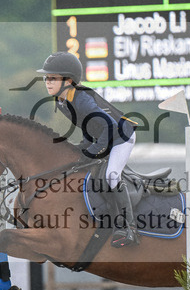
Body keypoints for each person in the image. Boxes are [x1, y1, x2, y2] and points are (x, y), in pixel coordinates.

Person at [38, 51, 139, 248]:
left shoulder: (82, 99)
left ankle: (130, 227)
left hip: (122, 136)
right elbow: (89, 126)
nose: (47, 82)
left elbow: (109, 127)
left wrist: (92, 151)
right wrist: (81, 148)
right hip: (106, 136)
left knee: (111, 176)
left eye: (52, 78)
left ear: (68, 80)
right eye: (46, 78)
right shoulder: (62, 101)